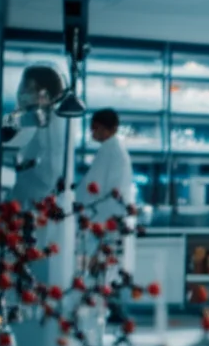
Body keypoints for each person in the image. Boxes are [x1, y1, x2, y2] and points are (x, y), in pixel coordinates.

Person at [75, 109, 135, 279]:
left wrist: (72, 200)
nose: (92, 132)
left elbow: (93, 186)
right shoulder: (116, 149)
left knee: (94, 271)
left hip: (103, 218)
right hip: (110, 217)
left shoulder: (110, 150)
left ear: (105, 128)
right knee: (104, 270)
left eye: (95, 128)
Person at [11, 65, 68, 206]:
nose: (21, 94)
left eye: (27, 89)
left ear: (44, 96)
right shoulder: (43, 121)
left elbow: (49, 173)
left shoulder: (49, 123)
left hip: (37, 198)